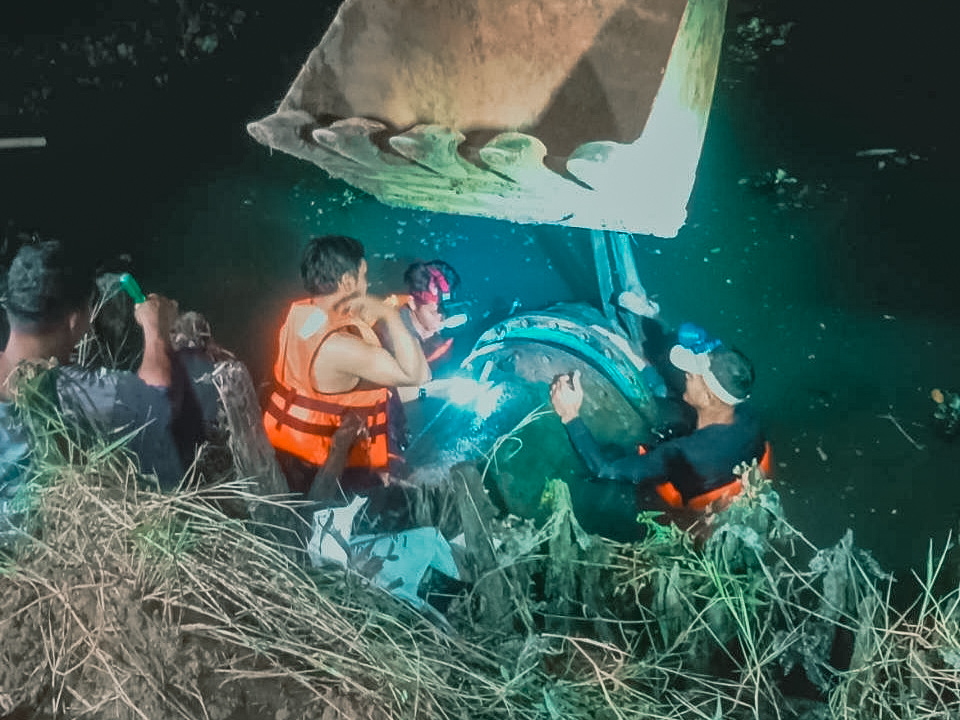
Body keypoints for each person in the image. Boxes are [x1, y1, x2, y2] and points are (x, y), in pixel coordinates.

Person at [0, 240, 195, 547]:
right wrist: (155, 329)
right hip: (26, 542)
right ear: (76, 320)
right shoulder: (70, 392)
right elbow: (160, 401)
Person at [263, 235, 430, 497]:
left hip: (289, 448)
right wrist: (390, 316)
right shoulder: (341, 347)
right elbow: (417, 374)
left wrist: (359, 319)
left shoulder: (303, 314)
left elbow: (324, 331)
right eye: (363, 276)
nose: (367, 283)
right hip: (334, 471)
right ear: (347, 282)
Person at [550, 339, 766, 519]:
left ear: (709, 397)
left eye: (690, 377)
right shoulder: (748, 416)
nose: (684, 377)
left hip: (695, 503)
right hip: (728, 475)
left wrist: (570, 414)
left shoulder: (684, 453)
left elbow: (604, 469)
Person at [385, 260, 462, 370]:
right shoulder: (391, 335)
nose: (440, 319)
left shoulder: (439, 340)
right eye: (433, 312)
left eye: (445, 313)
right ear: (412, 303)